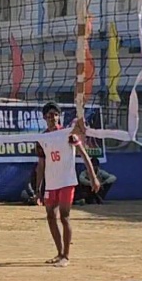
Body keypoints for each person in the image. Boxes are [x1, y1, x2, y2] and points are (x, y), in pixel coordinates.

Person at [33, 102, 97, 266]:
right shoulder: (42, 138)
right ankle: (59, 252)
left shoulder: (68, 134)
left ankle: (66, 256)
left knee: (64, 216)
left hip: (67, 181)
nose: (52, 118)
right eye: (48, 115)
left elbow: (83, 155)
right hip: (51, 183)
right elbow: (41, 165)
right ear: (44, 118)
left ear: (59, 116)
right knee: (50, 217)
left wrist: (93, 177)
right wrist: (38, 188)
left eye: (54, 114)